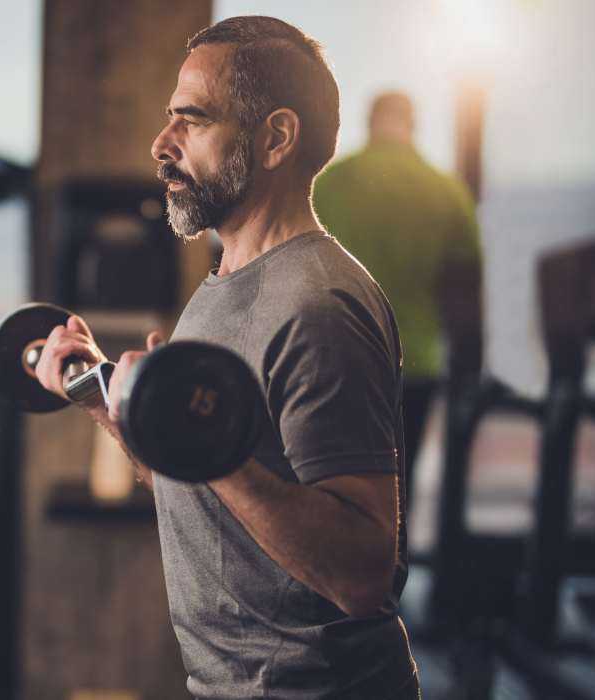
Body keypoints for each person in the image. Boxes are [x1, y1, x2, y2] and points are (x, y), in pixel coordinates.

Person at [34, 16, 419, 699]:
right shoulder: (219, 289)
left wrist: (206, 445)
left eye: (193, 121)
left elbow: (364, 576)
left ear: (275, 138)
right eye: (168, 120)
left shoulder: (320, 306)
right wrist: (101, 398)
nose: (161, 145)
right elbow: (199, 486)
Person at [313, 91, 483, 495]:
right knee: (395, 495)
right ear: (413, 125)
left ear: (370, 123)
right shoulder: (448, 192)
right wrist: (468, 387)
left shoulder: (327, 185)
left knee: (325, 493)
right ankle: (390, 558)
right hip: (413, 369)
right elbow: (464, 304)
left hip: (332, 364)